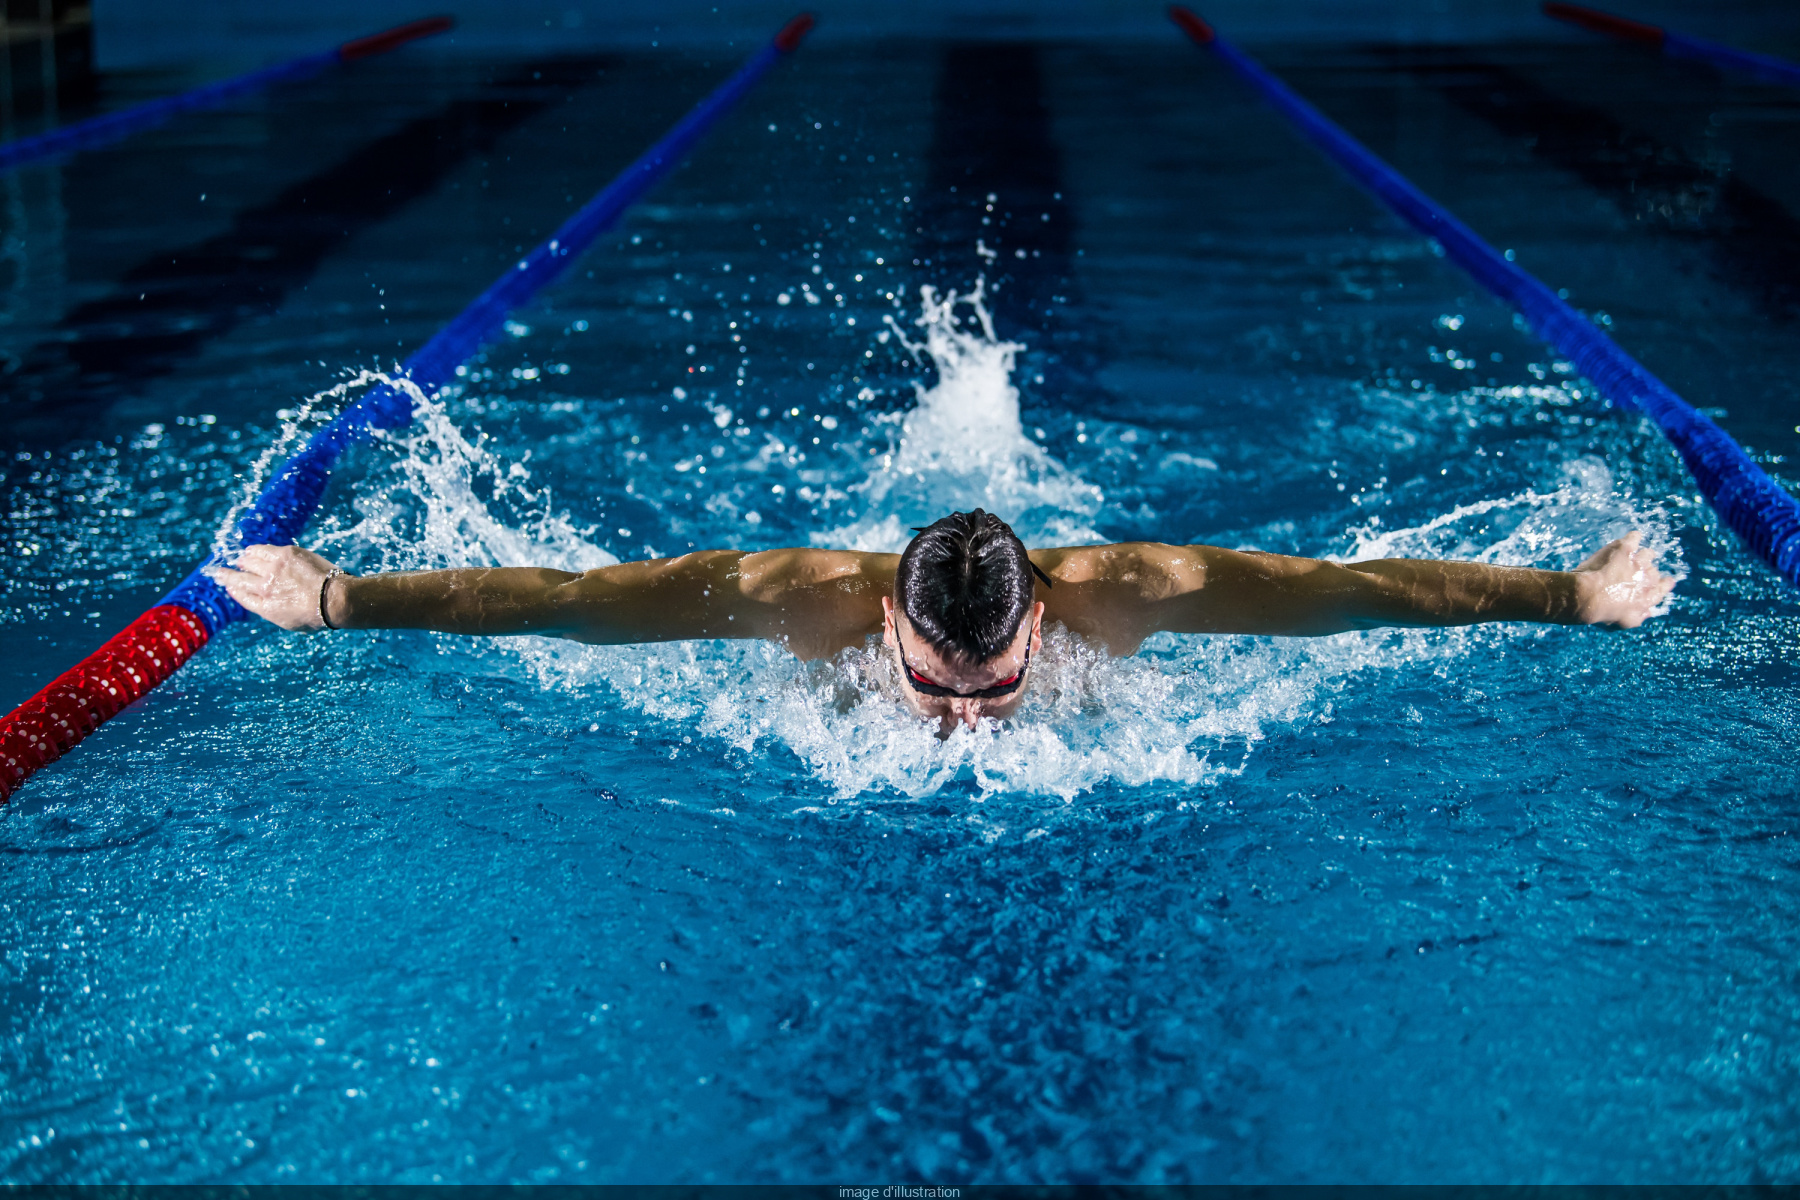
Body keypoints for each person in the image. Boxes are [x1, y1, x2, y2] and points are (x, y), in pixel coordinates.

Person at [214, 509, 1675, 733]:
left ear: (1045, 612)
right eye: (934, 683)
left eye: (990, 688)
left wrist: (1573, 597)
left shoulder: (1139, 593)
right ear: (888, 627)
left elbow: (1359, 593)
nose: (962, 721)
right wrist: (338, 598)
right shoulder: (799, 606)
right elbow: (573, 606)